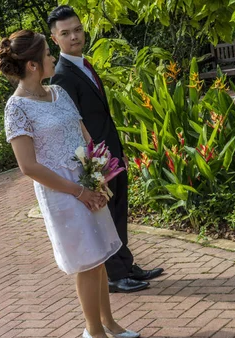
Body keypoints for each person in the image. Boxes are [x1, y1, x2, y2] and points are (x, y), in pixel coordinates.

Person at [0, 29, 140, 338]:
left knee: (100, 255)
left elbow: (84, 134)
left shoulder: (59, 92)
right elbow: (28, 166)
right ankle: (92, 331)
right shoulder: (16, 108)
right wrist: (78, 191)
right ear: (32, 65)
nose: (52, 58)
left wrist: (98, 175)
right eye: (47, 53)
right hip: (61, 193)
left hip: (86, 182)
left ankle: (109, 323)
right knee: (86, 261)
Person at [48, 6, 163, 294]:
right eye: (66, 33)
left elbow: (103, 116)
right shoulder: (62, 76)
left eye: (77, 29)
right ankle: (115, 276)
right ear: (54, 39)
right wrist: (93, 165)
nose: (74, 36)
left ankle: (126, 265)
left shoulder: (84, 64)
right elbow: (76, 126)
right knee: (107, 216)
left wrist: (118, 150)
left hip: (110, 153)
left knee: (119, 210)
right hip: (96, 160)